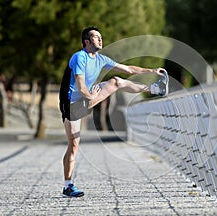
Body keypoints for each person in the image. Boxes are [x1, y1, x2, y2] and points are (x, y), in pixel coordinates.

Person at [59, 26, 168, 197]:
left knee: (117, 81)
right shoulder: (79, 57)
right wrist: (90, 96)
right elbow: (80, 86)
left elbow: (129, 69)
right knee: (73, 146)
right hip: (72, 105)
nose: (101, 39)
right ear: (87, 42)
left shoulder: (101, 59)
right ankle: (68, 185)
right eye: (96, 37)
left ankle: (155, 89)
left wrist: (151, 71)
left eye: (101, 36)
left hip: (87, 99)